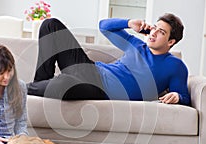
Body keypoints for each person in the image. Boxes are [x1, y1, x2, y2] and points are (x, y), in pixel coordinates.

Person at [27, 13, 190, 105]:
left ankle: (23, 89)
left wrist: (177, 97)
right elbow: (104, 26)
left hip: (98, 89)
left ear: (171, 42)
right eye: (154, 28)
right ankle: (38, 88)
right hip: (88, 68)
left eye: (161, 32)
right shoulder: (136, 45)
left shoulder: (175, 66)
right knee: (51, 25)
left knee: (62, 85)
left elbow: (184, 97)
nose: (153, 33)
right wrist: (129, 23)